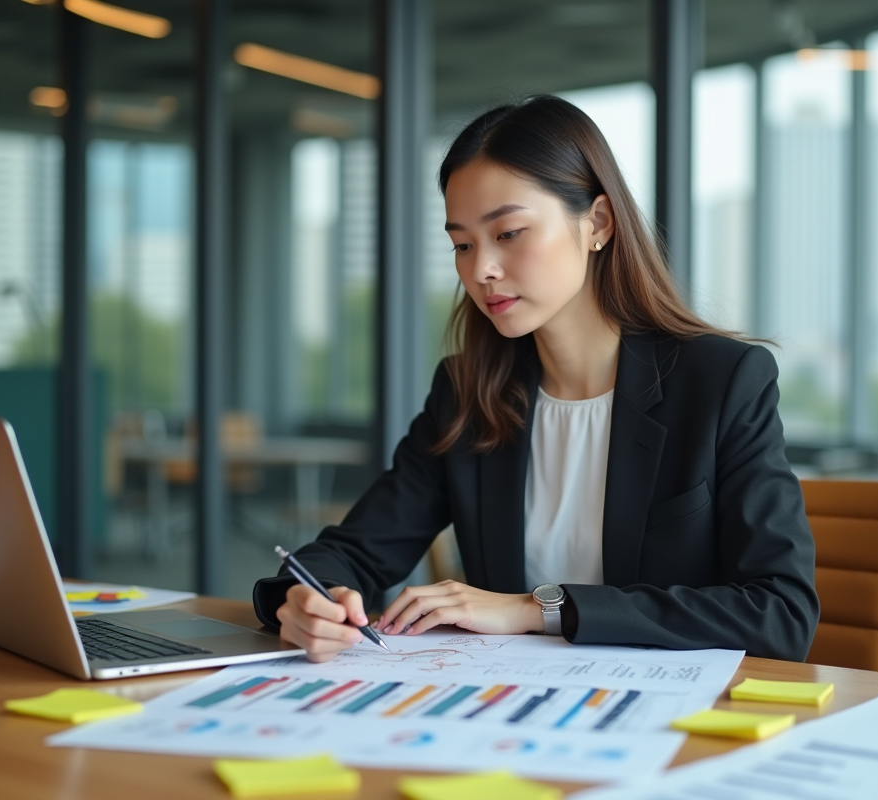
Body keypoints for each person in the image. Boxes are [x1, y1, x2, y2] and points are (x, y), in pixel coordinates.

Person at [254, 95, 819, 663]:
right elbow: (354, 552)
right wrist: (310, 600)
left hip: (674, 722)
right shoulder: (468, 393)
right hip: (512, 714)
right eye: (463, 244)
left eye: (509, 233)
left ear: (597, 222)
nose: (480, 271)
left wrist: (534, 608)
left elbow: (781, 612)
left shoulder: (720, 382)